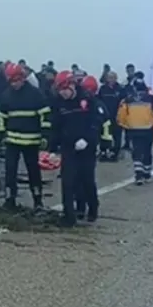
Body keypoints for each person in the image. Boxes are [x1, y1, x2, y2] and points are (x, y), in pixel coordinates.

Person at [0, 61, 51, 211]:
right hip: (12, 141)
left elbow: (45, 117)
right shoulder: (5, 96)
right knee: (10, 171)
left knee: (34, 171)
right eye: (12, 81)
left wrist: (45, 137)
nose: (14, 84)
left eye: (17, 80)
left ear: (23, 78)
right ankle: (9, 200)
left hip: (31, 141)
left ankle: (38, 202)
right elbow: (1, 118)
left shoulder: (35, 94)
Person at [49, 71, 104, 225]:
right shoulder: (59, 103)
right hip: (69, 147)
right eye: (60, 91)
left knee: (86, 180)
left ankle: (92, 207)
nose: (63, 94)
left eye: (65, 90)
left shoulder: (87, 100)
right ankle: (69, 216)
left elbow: (96, 122)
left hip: (87, 148)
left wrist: (88, 139)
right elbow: (55, 126)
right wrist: (53, 148)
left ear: (72, 86)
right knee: (67, 182)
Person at [116, 80, 153, 185]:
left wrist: (125, 125)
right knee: (147, 151)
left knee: (137, 152)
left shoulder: (128, 99)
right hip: (147, 129)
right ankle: (147, 174)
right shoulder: (150, 99)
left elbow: (121, 115)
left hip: (134, 129)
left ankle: (138, 175)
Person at [96, 71, 125, 161]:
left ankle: (115, 154)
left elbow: (124, 102)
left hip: (117, 117)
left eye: (113, 77)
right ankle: (104, 152)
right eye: (109, 77)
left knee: (117, 136)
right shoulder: (102, 89)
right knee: (105, 136)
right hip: (105, 117)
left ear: (116, 78)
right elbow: (98, 101)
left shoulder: (120, 89)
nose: (111, 79)